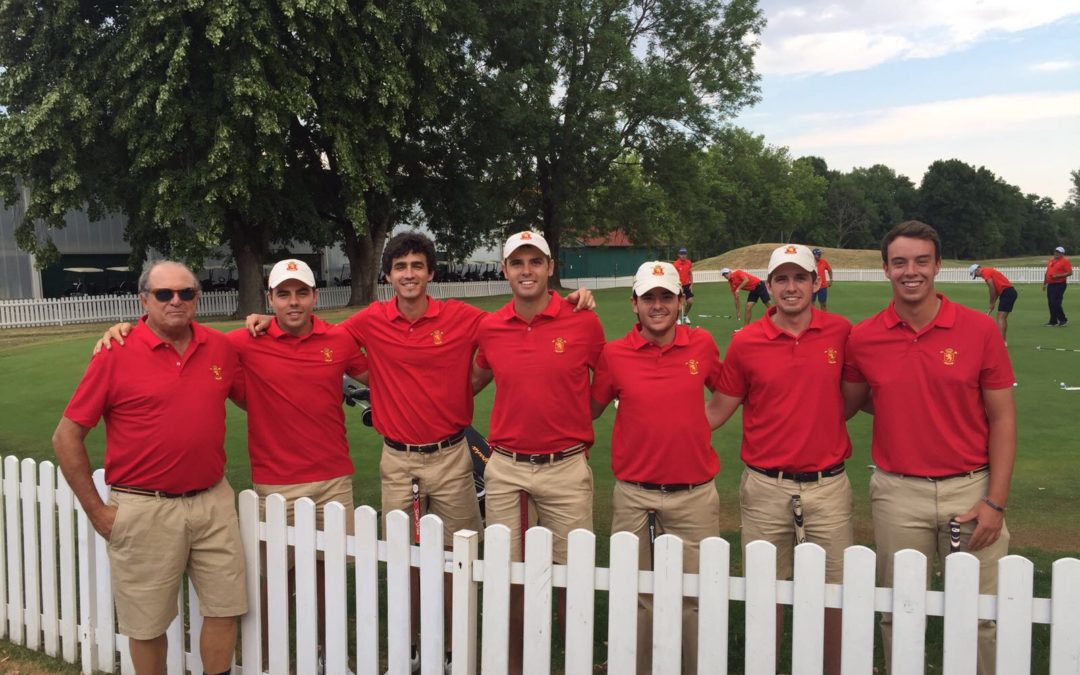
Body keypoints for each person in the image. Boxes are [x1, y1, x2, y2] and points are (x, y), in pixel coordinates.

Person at [53, 261, 246, 675]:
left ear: (197, 298)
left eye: (185, 293)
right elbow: (65, 437)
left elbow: (257, 383)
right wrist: (98, 512)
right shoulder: (115, 352)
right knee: (147, 624)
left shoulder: (219, 347)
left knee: (225, 609)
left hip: (212, 500)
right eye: (164, 294)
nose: (176, 301)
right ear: (144, 300)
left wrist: (263, 319)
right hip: (145, 508)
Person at [843, 221, 1015, 675]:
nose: (911, 271)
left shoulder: (979, 330)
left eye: (921, 261)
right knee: (900, 614)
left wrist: (995, 502)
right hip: (898, 494)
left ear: (938, 265)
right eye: (900, 262)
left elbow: (1003, 418)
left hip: (971, 489)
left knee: (980, 618)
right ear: (885, 269)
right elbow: (847, 405)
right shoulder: (864, 337)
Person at [707, 245, 852, 675]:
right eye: (782, 279)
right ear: (769, 286)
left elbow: (857, 396)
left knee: (834, 595)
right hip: (765, 487)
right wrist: (659, 423)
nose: (792, 287)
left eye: (800, 278)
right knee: (765, 593)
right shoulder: (746, 341)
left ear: (815, 282)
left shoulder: (841, 332)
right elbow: (718, 409)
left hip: (828, 485)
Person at [471, 230, 606, 675]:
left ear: (550, 268)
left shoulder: (583, 320)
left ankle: (574, 664)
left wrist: (572, 420)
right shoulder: (489, 327)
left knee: (573, 576)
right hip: (506, 467)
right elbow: (473, 380)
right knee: (507, 578)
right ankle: (513, 666)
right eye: (517, 263)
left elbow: (605, 384)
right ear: (505, 271)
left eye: (535, 262)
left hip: (564, 467)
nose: (526, 271)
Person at [591, 261, 722, 674]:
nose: (658, 305)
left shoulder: (702, 345)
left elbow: (728, 392)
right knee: (637, 597)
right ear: (634, 304)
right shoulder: (614, 354)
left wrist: (698, 424)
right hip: (635, 494)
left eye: (666, 296)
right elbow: (589, 409)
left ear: (680, 301)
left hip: (695, 494)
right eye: (649, 297)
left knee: (695, 598)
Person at [969, 263, 1018, 342]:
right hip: (1008, 292)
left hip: (1007, 292)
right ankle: (1003, 341)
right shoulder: (989, 271)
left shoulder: (985, 272)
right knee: (1002, 318)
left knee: (1000, 318)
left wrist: (991, 302)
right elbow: (995, 290)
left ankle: (1001, 342)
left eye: (976, 275)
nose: (979, 277)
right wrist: (993, 303)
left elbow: (992, 288)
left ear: (977, 270)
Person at [1043, 245, 1072, 327]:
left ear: (1062, 253)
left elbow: (1069, 273)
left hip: (1059, 284)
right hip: (1051, 284)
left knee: (1056, 303)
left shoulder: (1065, 261)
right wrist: (1045, 283)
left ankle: (1063, 320)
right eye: (1056, 251)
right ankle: (1053, 321)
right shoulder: (1051, 261)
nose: (1056, 253)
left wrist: (1058, 276)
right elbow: (1047, 272)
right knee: (1050, 303)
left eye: (1058, 252)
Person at [673, 247, 694, 324]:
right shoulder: (675, 264)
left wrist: (691, 284)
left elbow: (690, 273)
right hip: (678, 286)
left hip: (687, 285)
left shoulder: (689, 263)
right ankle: (677, 318)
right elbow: (673, 276)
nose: (683, 255)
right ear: (679, 255)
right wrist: (677, 285)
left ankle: (685, 316)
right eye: (681, 254)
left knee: (690, 302)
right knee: (678, 303)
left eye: (684, 254)